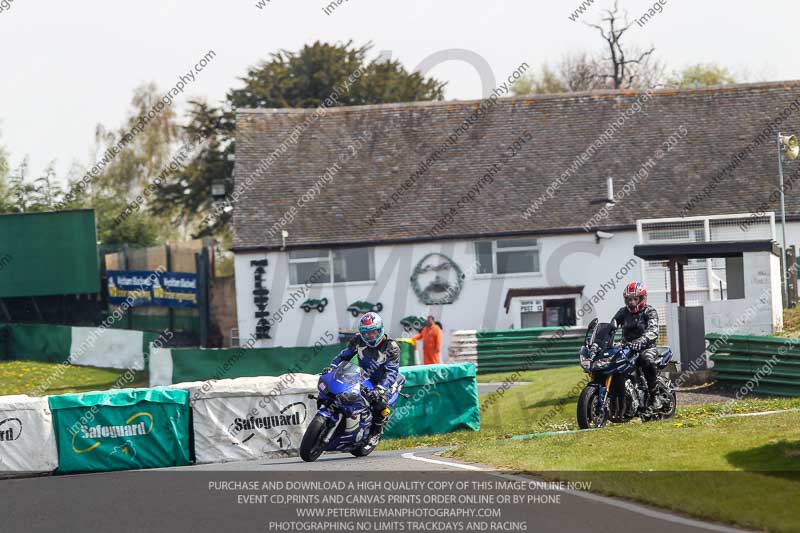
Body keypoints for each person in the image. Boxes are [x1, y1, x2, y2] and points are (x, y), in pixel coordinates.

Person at [324, 312, 400, 446]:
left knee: (380, 403)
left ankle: (375, 432)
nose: (370, 336)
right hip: (364, 376)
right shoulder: (357, 340)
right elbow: (344, 356)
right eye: (366, 333)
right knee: (341, 392)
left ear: (380, 330)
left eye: (373, 332)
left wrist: (381, 388)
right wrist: (333, 366)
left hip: (384, 381)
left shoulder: (391, 346)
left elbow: (392, 371)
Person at [611, 282, 662, 410]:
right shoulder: (622, 312)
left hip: (647, 347)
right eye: (629, 299)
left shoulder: (650, 312)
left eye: (635, 299)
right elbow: (611, 327)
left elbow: (653, 330)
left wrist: (642, 340)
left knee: (647, 360)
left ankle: (655, 396)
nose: (632, 302)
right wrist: (601, 339)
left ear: (642, 298)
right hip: (627, 347)